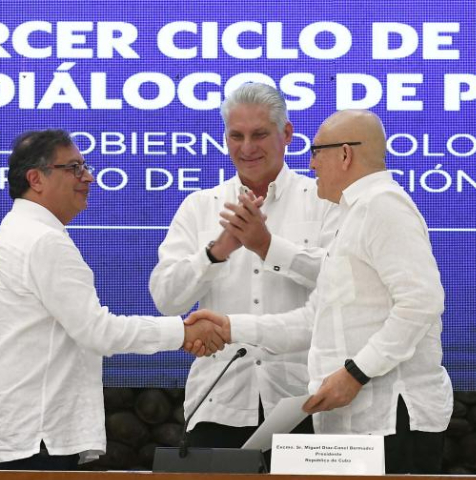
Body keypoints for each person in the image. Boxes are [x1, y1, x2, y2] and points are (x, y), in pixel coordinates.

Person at [187, 110, 453, 474]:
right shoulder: (352, 214)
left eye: (316, 152)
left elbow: (421, 303)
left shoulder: (383, 205)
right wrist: (231, 328)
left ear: (345, 155)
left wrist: (355, 373)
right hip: (354, 425)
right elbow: (316, 320)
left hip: (393, 419)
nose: (310, 164)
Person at [0, 129, 225, 471]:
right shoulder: (42, 240)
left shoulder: (19, 229)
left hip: (25, 432)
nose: (88, 177)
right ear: (36, 179)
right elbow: (98, 332)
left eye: (85, 166)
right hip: (39, 437)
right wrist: (182, 333)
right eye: (74, 168)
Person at [149, 83, 339, 450]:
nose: (247, 148)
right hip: (218, 400)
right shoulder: (200, 206)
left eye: (259, 134)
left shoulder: (322, 202)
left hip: (304, 402)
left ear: (286, 134)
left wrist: (267, 246)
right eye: (236, 136)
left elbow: (340, 284)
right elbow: (166, 299)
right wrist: (215, 253)